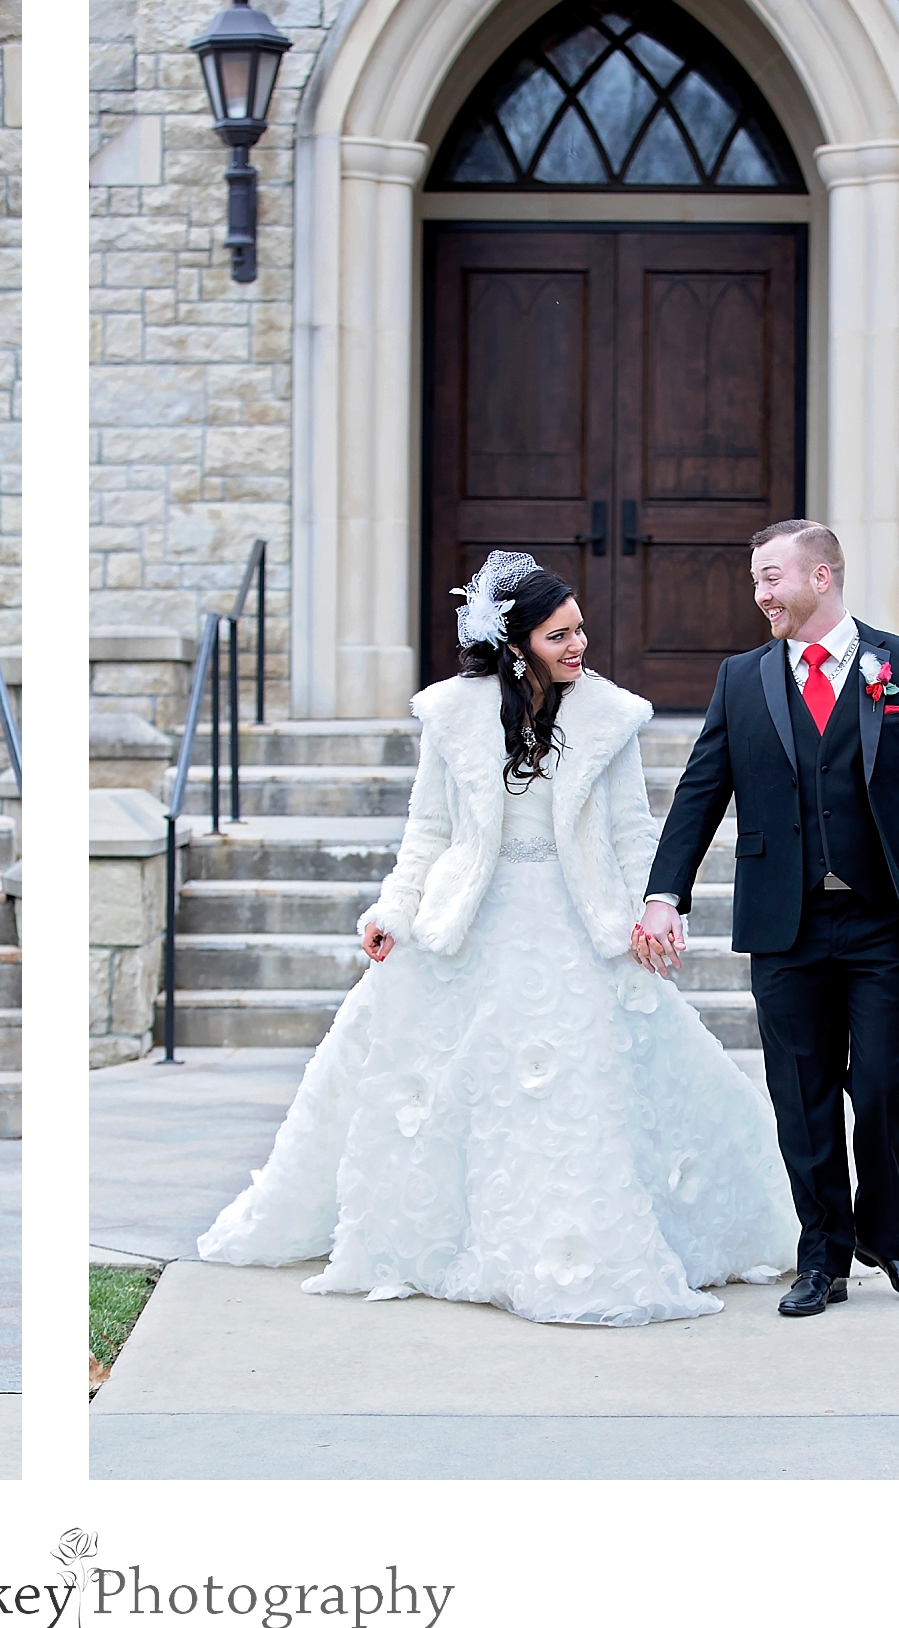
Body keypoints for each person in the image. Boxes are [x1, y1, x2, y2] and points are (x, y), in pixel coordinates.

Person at [198, 552, 794, 1326]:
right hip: (470, 922)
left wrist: (657, 905)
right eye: (558, 635)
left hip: (577, 924)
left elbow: (630, 829)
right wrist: (392, 909)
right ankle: (453, 1239)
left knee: (580, 1090)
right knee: (449, 1090)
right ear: (516, 643)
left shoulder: (611, 716)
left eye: (580, 630)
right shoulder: (450, 715)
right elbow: (429, 828)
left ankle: (570, 1246)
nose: (578, 645)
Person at [637, 520, 899, 1317]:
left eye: (772, 577)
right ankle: (822, 1255)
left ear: (823, 576)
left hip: (884, 917)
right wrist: (665, 891)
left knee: (882, 1085)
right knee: (801, 1091)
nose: (760, 594)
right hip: (786, 921)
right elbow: (701, 791)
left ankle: (889, 1233)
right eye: (756, 580)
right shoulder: (741, 678)